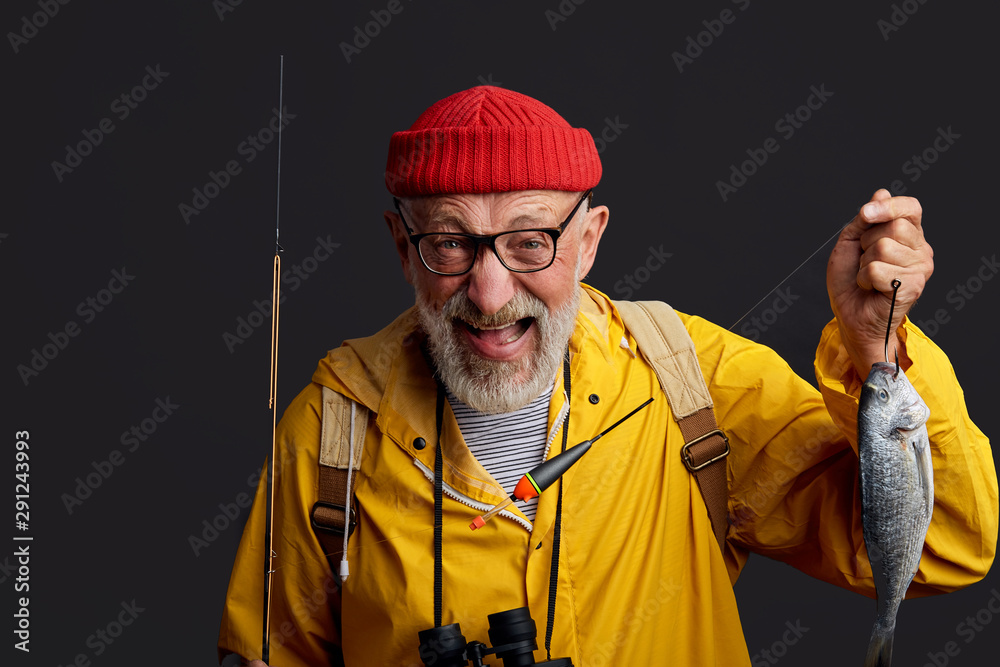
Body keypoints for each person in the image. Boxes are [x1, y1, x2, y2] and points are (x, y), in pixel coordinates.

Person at [217, 85, 997, 666]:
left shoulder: (692, 384)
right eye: (451, 244)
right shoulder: (333, 427)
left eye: (531, 242)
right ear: (401, 244)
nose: (491, 295)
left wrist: (876, 350)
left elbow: (947, 545)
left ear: (589, 240)